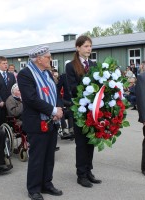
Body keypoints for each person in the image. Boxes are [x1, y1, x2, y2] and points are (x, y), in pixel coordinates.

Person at [17, 45, 63, 200]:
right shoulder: (25, 74)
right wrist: (53, 110)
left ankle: (46, 184)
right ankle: (34, 189)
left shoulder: (47, 73)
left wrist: (58, 108)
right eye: (48, 57)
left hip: (52, 121)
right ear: (38, 58)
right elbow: (31, 99)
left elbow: (55, 92)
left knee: (49, 156)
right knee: (37, 157)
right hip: (37, 122)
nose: (51, 59)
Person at [66, 35, 102, 188]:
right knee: (81, 143)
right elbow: (72, 88)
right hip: (80, 109)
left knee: (91, 141)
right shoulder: (71, 65)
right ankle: (81, 174)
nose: (89, 49)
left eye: (90, 46)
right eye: (86, 46)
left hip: (93, 110)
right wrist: (89, 90)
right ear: (78, 47)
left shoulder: (93, 64)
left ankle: (88, 170)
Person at [0, 56, 16, 125]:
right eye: (3, 63)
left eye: (6, 63)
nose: (6, 65)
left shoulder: (11, 75)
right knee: (1, 123)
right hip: (0, 105)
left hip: (10, 104)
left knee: (11, 123)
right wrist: (0, 101)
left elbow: (14, 89)